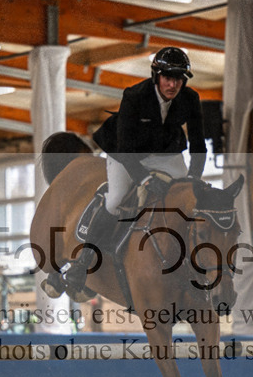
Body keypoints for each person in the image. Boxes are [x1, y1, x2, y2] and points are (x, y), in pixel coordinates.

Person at [55, 46, 208, 297]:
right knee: (115, 201)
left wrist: (194, 179)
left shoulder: (190, 98)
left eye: (179, 79)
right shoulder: (135, 96)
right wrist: (145, 180)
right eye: (168, 78)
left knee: (187, 201)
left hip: (165, 154)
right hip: (126, 153)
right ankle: (83, 262)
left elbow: (199, 146)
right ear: (156, 76)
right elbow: (125, 148)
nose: (173, 84)